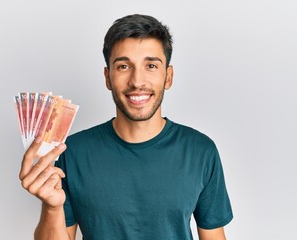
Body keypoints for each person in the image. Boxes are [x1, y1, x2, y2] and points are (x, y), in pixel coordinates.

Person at [19, 14, 233, 240]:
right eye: (123, 66)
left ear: (168, 77)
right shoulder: (72, 151)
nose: (137, 81)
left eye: (151, 65)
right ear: (108, 77)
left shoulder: (201, 151)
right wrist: (52, 208)